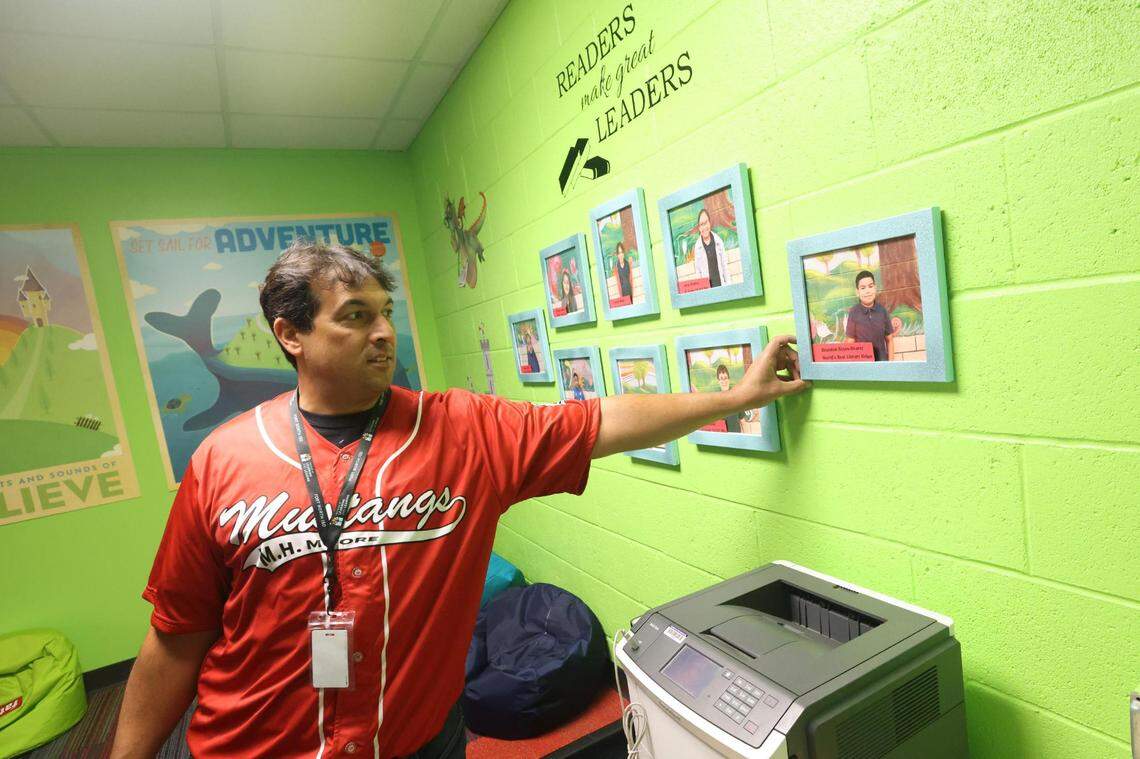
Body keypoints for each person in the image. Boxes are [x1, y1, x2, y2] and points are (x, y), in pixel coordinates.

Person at [110, 240, 809, 759]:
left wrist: (734, 397)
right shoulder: (222, 461)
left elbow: (599, 420)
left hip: (423, 744)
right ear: (289, 334)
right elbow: (176, 638)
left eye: (385, 313)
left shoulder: (464, 430)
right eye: (354, 316)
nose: (383, 332)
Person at [844, 270, 894, 361]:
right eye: (863, 288)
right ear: (857, 292)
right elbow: (850, 342)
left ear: (875, 288)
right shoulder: (853, 313)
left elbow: (889, 340)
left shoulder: (882, 311)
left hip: (882, 364)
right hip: (863, 366)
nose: (867, 291)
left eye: (870, 286)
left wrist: (891, 365)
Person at [690, 208, 728, 289]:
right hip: (708, 291)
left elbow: (725, 267)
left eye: (706, 222)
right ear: (699, 228)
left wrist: (729, 287)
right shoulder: (697, 247)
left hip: (721, 287)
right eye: (701, 224)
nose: (704, 227)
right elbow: (698, 272)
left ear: (709, 223)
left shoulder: (718, 241)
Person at [713, 364, 754, 433]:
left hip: (737, 437)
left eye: (725, 378)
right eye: (721, 378)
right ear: (718, 381)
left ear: (729, 379)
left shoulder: (736, 397)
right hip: (724, 439)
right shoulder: (716, 400)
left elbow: (742, 420)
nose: (724, 381)